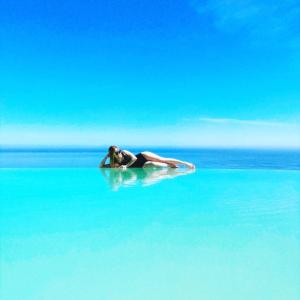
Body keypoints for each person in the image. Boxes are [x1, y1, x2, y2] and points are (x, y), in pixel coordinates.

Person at [99, 145, 195, 169]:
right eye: (117, 152)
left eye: (119, 151)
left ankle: (186, 163)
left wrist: (126, 166)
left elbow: (134, 158)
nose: (119, 152)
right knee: (152, 164)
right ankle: (170, 165)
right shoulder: (114, 161)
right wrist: (106, 157)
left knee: (162, 159)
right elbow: (101, 166)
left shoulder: (124, 152)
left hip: (142, 156)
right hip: (142, 164)